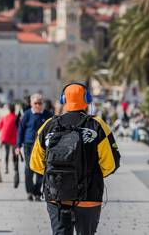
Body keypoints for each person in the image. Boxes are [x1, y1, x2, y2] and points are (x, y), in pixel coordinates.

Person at [30, 82, 121, 235]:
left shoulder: (48, 125)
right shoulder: (97, 125)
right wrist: (91, 175)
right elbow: (110, 164)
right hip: (89, 195)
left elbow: (35, 164)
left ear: (63, 100)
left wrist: (58, 177)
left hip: (56, 195)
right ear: (87, 99)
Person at [16, 93, 52, 201]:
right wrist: (18, 146)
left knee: (40, 170)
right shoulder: (27, 114)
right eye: (35, 103)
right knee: (28, 169)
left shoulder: (48, 115)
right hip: (28, 145)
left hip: (42, 146)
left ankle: (37, 192)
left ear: (42, 104)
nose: (37, 105)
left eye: (39, 103)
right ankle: (30, 192)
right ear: (31, 104)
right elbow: (20, 130)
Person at [0, 103, 18, 174]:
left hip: (6, 137)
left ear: (9, 110)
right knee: (14, 153)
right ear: (14, 110)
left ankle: (6, 168)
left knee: (6, 152)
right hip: (14, 138)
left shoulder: (5, 117)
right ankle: (15, 167)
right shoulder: (16, 117)